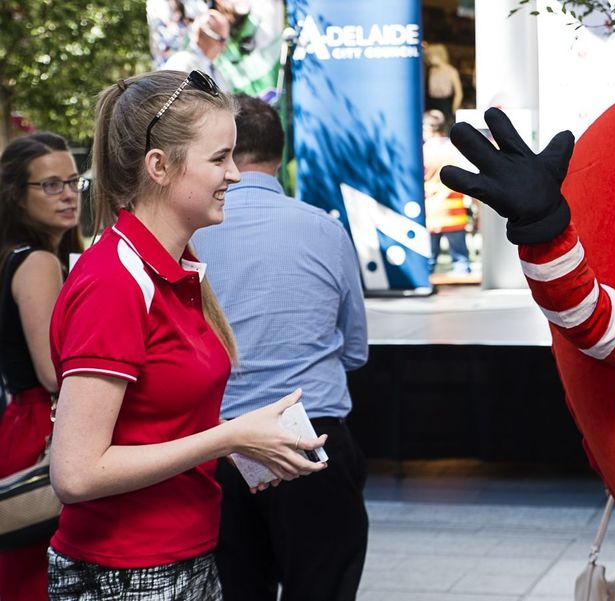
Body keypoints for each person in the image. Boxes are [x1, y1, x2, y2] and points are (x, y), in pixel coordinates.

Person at [45, 69, 327, 600]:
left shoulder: (172, 265)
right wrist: (230, 437)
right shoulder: (115, 280)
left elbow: (151, 421)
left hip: (179, 557)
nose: (236, 176)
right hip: (125, 573)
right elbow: (77, 474)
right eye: (220, 158)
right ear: (159, 166)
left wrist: (246, 445)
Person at [190, 94, 370, 601]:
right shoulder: (325, 228)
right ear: (280, 154)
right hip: (311, 439)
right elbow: (355, 349)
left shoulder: (190, 235)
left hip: (216, 443)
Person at [0, 132, 85, 601]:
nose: (68, 194)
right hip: (42, 428)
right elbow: (56, 372)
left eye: (72, 181)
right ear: (16, 194)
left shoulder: (22, 256)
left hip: (25, 423)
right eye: (50, 185)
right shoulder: (36, 263)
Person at [423, 109, 472, 275]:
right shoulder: (455, 149)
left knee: (428, 262)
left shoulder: (423, 151)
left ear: (428, 129)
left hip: (431, 212)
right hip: (455, 213)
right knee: (461, 261)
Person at [161, 11, 231, 90]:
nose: (223, 46)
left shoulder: (217, 72)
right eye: (221, 40)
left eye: (225, 41)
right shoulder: (182, 62)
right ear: (200, 33)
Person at [423, 44, 463, 126]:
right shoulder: (431, 70)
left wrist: (454, 110)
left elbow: (459, 93)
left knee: (445, 127)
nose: (429, 58)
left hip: (445, 104)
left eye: (431, 56)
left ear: (438, 55)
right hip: (431, 103)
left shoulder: (452, 71)